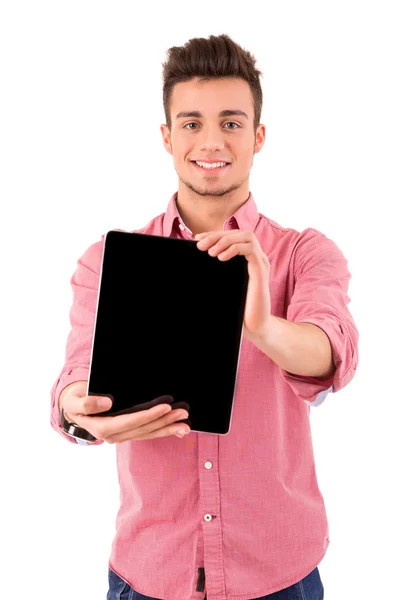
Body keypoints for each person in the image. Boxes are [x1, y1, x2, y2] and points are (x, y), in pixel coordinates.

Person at [50, 33, 359, 600]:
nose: (211, 141)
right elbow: (75, 376)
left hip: (278, 577)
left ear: (258, 135)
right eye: (191, 123)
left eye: (232, 122)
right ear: (167, 138)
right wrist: (79, 412)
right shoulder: (108, 262)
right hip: (150, 574)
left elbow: (329, 352)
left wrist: (262, 324)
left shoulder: (304, 253)